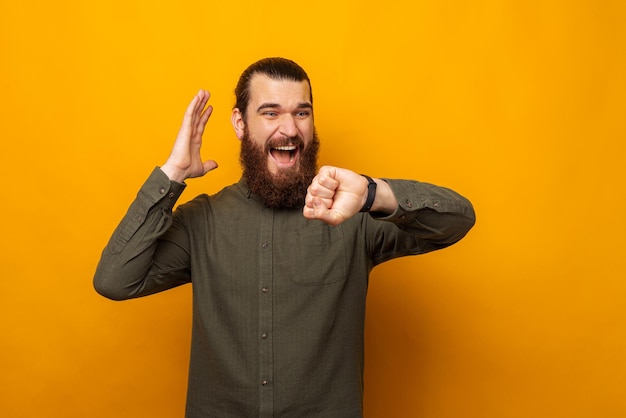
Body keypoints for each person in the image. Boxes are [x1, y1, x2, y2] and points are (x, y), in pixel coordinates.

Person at [94, 57, 476, 418]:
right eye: (271, 112)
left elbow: (457, 220)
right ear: (240, 123)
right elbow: (115, 280)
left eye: (302, 113)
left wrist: (376, 194)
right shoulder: (202, 221)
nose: (290, 129)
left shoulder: (350, 214)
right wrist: (172, 172)